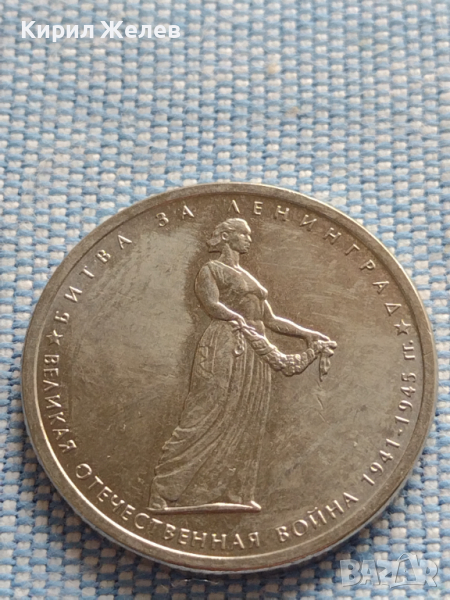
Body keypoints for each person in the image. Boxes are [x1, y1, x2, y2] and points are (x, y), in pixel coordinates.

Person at [148, 218, 335, 513]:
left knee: (249, 416)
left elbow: (270, 320)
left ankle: (234, 492)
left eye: (249, 234)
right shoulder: (212, 269)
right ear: (226, 236)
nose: (249, 239)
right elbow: (211, 305)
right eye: (243, 234)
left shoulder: (246, 275)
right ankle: (163, 491)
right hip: (226, 344)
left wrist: (305, 334)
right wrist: (236, 318)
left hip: (255, 350)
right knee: (206, 414)